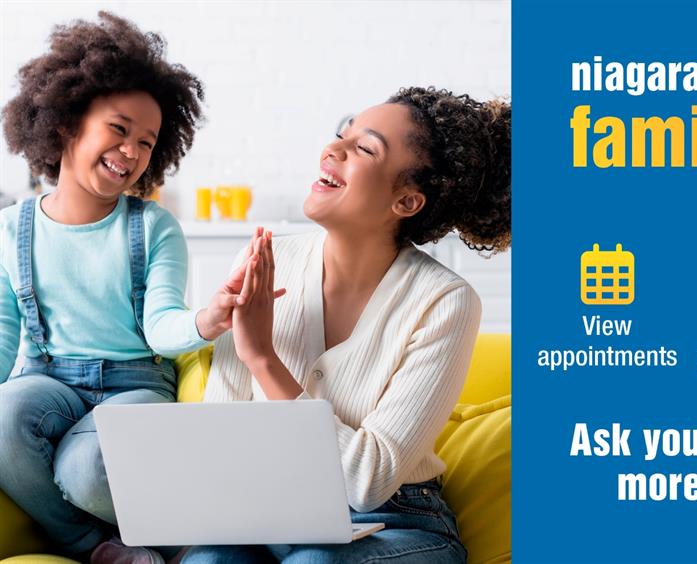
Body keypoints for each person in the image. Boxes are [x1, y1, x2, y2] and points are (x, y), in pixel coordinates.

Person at [184, 86, 511, 564]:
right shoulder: (266, 260)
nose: (333, 149)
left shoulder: (446, 302)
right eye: (343, 133)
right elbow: (222, 431)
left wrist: (262, 359)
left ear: (406, 201)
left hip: (398, 521)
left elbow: (366, 481)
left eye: (365, 148)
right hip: (273, 511)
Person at [0, 12, 259, 563]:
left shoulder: (153, 227)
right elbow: (3, 338)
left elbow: (161, 325)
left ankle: (172, 538)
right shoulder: (10, 230)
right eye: (118, 129)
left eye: (146, 141)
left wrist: (208, 318)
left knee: (85, 467)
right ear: (65, 122)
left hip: (134, 385)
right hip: (48, 380)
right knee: (3, 417)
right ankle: (94, 546)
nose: (132, 151)